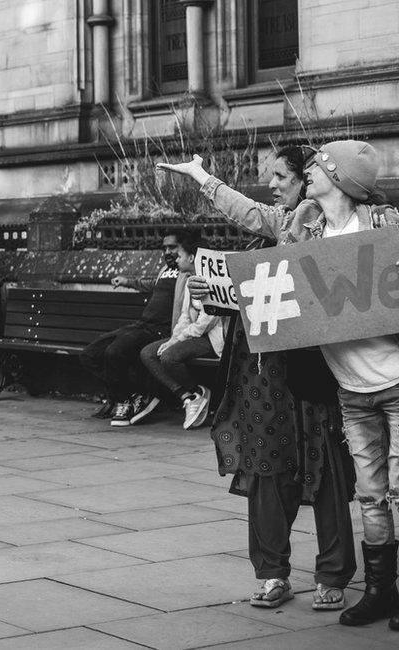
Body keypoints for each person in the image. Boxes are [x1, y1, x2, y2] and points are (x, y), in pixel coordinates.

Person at [161, 141, 399, 628]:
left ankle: (359, 581)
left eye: (305, 171)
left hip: (367, 380)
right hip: (340, 384)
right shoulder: (301, 226)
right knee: (373, 494)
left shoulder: (385, 224)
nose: (294, 181)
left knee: (370, 484)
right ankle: (376, 591)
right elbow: (263, 251)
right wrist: (226, 291)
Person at [81, 231, 187, 426]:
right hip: (141, 325)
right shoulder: (165, 269)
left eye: (172, 247)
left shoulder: (187, 271)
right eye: (165, 248)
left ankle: (123, 400)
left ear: (183, 249)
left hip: (159, 331)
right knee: (89, 354)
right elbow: (151, 285)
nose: (167, 252)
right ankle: (133, 394)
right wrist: (127, 281)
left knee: (114, 352)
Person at [139, 231, 224, 429]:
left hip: (211, 339)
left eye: (179, 256)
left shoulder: (212, 280)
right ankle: (190, 395)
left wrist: (176, 341)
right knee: (148, 353)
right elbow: (185, 316)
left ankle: (195, 394)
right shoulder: (188, 280)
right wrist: (174, 338)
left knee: (169, 357)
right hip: (192, 336)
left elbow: (205, 323)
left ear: (192, 257)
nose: (176, 260)